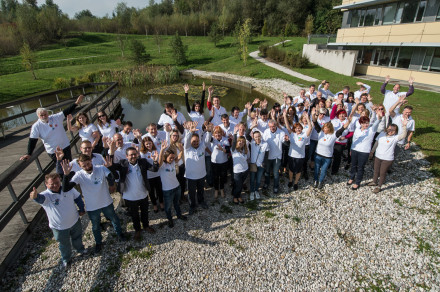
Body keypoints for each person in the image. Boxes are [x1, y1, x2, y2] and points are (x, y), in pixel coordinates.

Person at [61, 154, 125, 253]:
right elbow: (65, 189)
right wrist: (65, 175)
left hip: (106, 202)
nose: (87, 167)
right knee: (95, 226)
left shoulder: (101, 168)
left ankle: (120, 233)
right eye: (84, 166)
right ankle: (98, 242)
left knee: (114, 219)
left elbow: (113, 177)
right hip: (92, 206)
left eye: (88, 164)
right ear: (79, 165)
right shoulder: (79, 175)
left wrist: (110, 167)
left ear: (91, 161)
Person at [30, 173, 86, 268]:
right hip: (59, 227)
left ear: (60, 181)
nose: (55, 186)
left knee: (77, 237)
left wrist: (81, 209)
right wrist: (35, 197)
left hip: (74, 221)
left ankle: (80, 249)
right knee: (64, 244)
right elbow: (40, 199)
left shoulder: (68, 188)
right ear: (46, 184)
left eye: (57, 182)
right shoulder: (46, 195)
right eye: (52, 184)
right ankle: (66, 259)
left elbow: (78, 198)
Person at [109, 146, 158, 240]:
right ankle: (137, 230)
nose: (133, 156)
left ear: (137, 154)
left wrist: (155, 161)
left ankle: (146, 226)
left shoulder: (142, 162)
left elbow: (154, 169)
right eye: (131, 155)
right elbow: (112, 166)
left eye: (135, 154)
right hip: (130, 196)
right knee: (134, 214)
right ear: (126, 156)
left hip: (143, 193)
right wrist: (111, 154)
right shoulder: (123, 164)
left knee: (145, 212)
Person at [20, 94, 84, 161]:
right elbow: (32, 140)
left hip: (65, 146)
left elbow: (66, 111)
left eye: (45, 114)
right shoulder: (36, 126)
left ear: (48, 114)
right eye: (41, 115)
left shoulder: (55, 117)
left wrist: (76, 103)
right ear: (38, 116)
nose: (44, 116)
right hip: (53, 151)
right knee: (61, 167)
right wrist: (29, 153)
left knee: (69, 164)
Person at [368, 115, 408, 193]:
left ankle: (379, 186)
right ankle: (374, 181)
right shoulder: (382, 134)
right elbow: (376, 143)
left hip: (387, 158)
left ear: (396, 131)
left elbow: (403, 135)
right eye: (389, 129)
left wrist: (404, 126)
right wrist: (372, 152)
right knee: (376, 170)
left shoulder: (395, 138)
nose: (390, 131)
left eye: (393, 130)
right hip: (378, 156)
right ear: (387, 129)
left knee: (382, 172)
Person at [312, 108, 351, 189]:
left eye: (326, 128)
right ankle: (315, 180)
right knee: (316, 168)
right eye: (324, 128)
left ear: (330, 129)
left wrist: (349, 121)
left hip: (327, 157)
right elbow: (315, 122)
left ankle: (320, 181)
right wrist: (314, 114)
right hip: (318, 155)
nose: (325, 129)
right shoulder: (320, 132)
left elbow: (342, 128)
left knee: (323, 170)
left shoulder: (334, 135)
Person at [348, 109, 383, 190]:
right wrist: (351, 149)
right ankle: (351, 177)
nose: (365, 125)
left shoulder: (371, 130)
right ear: (360, 123)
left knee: (360, 167)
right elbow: (354, 140)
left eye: (367, 123)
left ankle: (357, 182)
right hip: (354, 150)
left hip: (364, 151)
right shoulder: (357, 129)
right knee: (353, 165)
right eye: (364, 123)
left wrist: (379, 118)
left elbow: (376, 123)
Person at [157, 141, 187, 228]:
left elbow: (179, 157)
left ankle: (179, 215)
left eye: (173, 157)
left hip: (177, 187)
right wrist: (162, 150)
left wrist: (181, 150)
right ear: (165, 157)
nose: (172, 159)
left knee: (177, 204)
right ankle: (170, 219)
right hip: (167, 190)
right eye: (170, 157)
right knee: (168, 207)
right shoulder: (162, 166)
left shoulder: (173, 162)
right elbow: (159, 161)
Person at [183, 121, 211, 214]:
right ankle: (192, 206)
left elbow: (207, 140)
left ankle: (201, 201)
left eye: (197, 141)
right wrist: (190, 132)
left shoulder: (202, 147)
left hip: (201, 175)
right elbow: (186, 141)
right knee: (191, 193)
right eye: (194, 141)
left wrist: (209, 132)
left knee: (200, 190)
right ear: (191, 141)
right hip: (191, 176)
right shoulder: (187, 149)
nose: (195, 143)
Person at [283, 110, 313, 190]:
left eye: (299, 128)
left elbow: (310, 127)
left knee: (298, 171)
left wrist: (307, 117)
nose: (298, 129)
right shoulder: (292, 134)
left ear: (301, 128)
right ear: (294, 129)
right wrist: (285, 116)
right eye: (296, 128)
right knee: (291, 169)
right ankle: (290, 181)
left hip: (300, 156)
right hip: (291, 155)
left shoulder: (305, 134)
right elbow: (287, 126)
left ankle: (296, 183)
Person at [139, 136, 164, 213]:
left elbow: (160, 160)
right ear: (144, 144)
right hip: (149, 176)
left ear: (152, 143)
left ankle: (161, 202)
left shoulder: (156, 150)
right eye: (146, 144)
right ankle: (154, 204)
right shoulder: (142, 153)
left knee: (159, 190)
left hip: (158, 174)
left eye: (149, 143)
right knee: (151, 192)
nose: (148, 145)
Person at [262, 119, 285, 194]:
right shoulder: (266, 132)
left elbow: (283, 140)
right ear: (269, 126)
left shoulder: (281, 132)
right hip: (268, 156)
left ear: (276, 126)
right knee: (267, 172)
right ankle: (266, 183)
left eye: (274, 126)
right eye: (271, 126)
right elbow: (263, 141)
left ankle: (276, 186)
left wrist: (286, 139)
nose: (272, 128)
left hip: (277, 156)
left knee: (276, 173)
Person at [209, 126, 230, 198]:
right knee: (215, 177)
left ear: (222, 133)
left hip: (223, 162)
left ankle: (221, 189)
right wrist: (209, 131)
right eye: (216, 133)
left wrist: (222, 149)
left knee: (222, 176)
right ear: (214, 134)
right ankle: (216, 190)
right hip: (214, 162)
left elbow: (228, 150)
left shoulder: (225, 140)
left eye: (219, 133)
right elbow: (208, 139)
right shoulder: (213, 140)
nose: (218, 134)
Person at [231, 131, 250, 204]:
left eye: (243, 141)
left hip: (245, 170)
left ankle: (235, 194)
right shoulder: (234, 150)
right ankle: (236, 197)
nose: (241, 142)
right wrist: (235, 133)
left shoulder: (244, 150)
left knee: (239, 184)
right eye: (240, 141)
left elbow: (247, 159)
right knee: (239, 185)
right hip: (237, 171)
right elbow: (234, 142)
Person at [249, 130, 268, 200]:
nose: (257, 138)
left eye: (259, 136)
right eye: (256, 137)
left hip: (261, 165)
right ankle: (251, 191)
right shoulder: (252, 143)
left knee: (258, 179)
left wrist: (264, 163)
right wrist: (252, 126)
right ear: (253, 137)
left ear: (261, 136)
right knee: (252, 179)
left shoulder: (265, 144)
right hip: (253, 164)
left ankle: (256, 190)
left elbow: (266, 155)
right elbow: (248, 135)